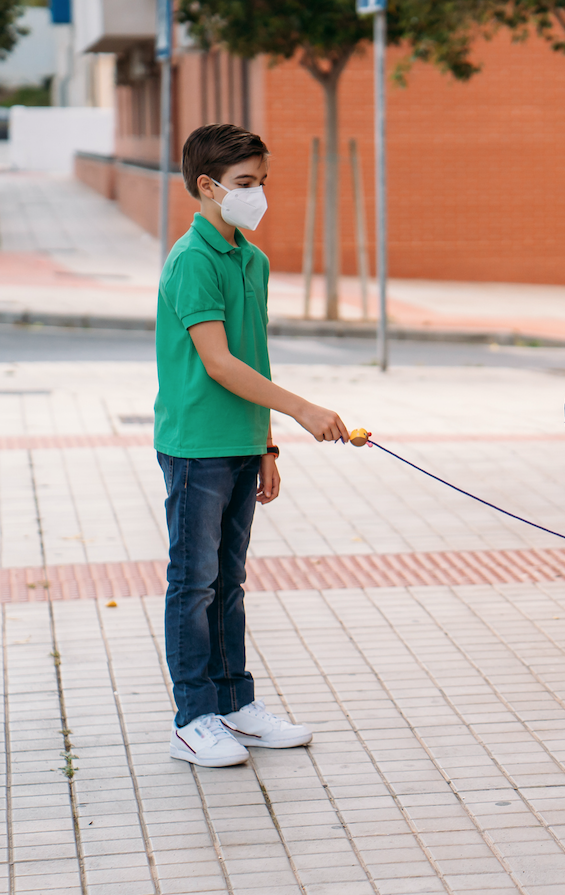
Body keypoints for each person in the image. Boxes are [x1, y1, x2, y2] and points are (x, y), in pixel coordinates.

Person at [155, 124, 350, 767]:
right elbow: (217, 363)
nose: (258, 195)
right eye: (245, 184)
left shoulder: (253, 261)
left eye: (263, 182)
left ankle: (235, 704)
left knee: (229, 581)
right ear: (208, 188)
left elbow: (254, 355)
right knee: (195, 582)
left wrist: (267, 442)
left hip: (241, 442)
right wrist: (301, 410)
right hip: (195, 447)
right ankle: (194, 715)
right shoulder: (191, 261)